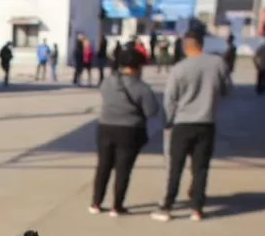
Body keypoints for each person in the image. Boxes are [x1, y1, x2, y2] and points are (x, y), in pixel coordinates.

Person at [156, 27, 231, 222]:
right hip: (206, 123)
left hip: (182, 124)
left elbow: (170, 99)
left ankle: (167, 207)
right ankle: (197, 208)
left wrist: (168, 121)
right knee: (201, 168)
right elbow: (227, 89)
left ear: (185, 47)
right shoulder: (217, 63)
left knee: (175, 167)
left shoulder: (179, 68)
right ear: (202, 44)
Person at [89, 48, 159, 216]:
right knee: (123, 169)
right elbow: (152, 111)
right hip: (130, 131)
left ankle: (96, 203)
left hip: (105, 127)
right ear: (137, 66)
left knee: (103, 166)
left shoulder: (107, 82)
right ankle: (117, 206)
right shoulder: (142, 87)